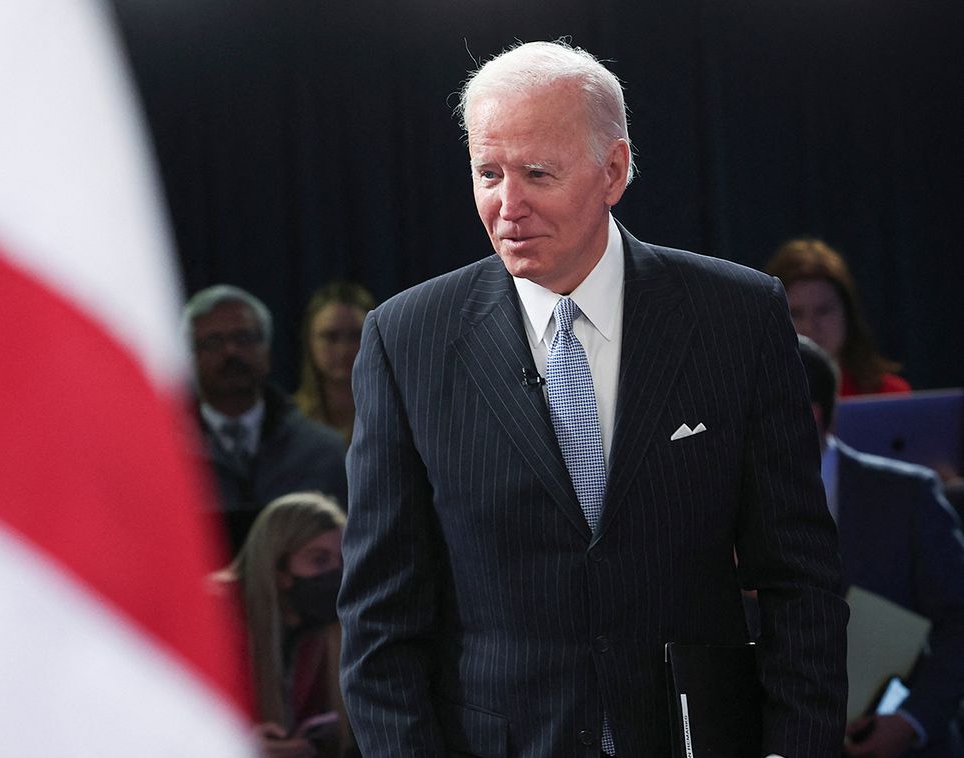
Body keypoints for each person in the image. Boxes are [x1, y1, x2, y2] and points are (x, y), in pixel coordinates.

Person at [338, 40, 848, 757]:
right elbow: (378, 622)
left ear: (612, 170)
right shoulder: (405, 338)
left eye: (536, 174)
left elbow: (800, 582)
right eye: (487, 173)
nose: (506, 206)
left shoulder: (736, 316)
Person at [796, 336, 964, 758]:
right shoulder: (726, 505)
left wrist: (912, 721)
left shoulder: (906, 496)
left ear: (810, 415)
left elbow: (960, 620)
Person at [182, 285, 348, 555]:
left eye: (244, 338)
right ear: (189, 357)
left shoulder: (323, 452)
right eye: (213, 342)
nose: (230, 352)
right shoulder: (164, 455)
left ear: (268, 351)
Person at [212, 492, 355, 757]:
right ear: (277, 568)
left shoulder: (320, 627)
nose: (338, 574)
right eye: (319, 560)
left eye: (344, 560)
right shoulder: (215, 617)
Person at [765, 237, 910, 397]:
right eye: (795, 313)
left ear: (848, 313)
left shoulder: (889, 395)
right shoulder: (752, 400)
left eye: (823, 311)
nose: (810, 326)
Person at [293, 282, 377, 444]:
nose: (344, 350)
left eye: (355, 335)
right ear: (309, 341)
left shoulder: (394, 416)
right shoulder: (289, 421)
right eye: (331, 337)